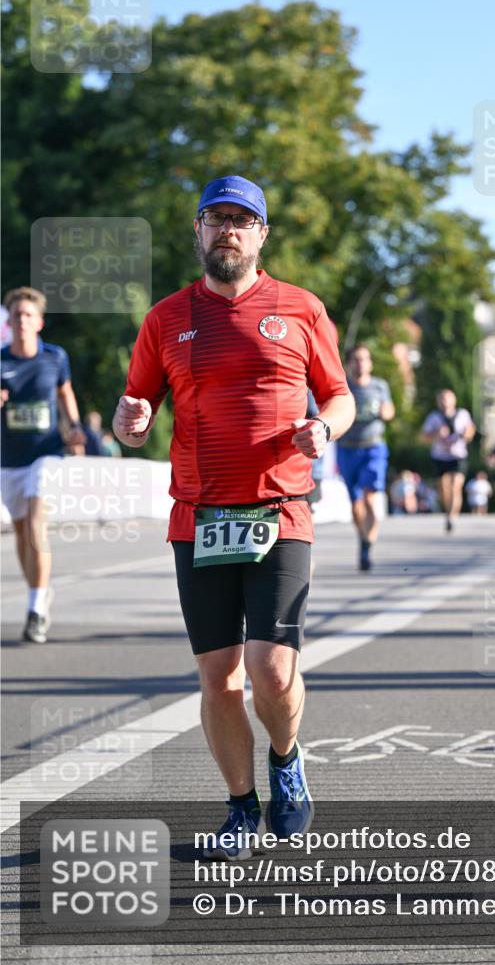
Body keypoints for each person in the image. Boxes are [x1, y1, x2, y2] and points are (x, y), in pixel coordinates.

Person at [112, 175, 354, 859]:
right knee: (219, 678)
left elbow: (340, 398)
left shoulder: (300, 308)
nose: (228, 230)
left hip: (279, 510)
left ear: (261, 234)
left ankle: (287, 756)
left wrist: (325, 430)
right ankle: (240, 808)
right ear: (197, 230)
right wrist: (129, 423)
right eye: (215, 218)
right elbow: (133, 415)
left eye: (241, 220)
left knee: (271, 671)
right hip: (198, 518)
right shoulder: (165, 318)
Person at [1, 286, 85, 643]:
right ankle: (38, 594)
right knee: (21, 533)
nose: (21, 320)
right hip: (9, 459)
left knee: (37, 521)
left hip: (47, 453)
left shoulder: (55, 357)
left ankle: (36, 608)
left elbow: (65, 392)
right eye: (16, 315)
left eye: (27, 315)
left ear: (40, 322)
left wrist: (76, 428)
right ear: (9, 322)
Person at [336, 344, 395, 571]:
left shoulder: (380, 386)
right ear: (349, 363)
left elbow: (390, 411)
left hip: (374, 447)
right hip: (348, 448)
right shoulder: (343, 387)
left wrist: (384, 412)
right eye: (356, 359)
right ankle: (363, 538)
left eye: (364, 359)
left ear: (370, 363)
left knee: (371, 499)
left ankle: (368, 546)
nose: (361, 363)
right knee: (356, 506)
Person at [421, 389, 475, 533]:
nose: (444, 402)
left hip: (458, 455)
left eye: (447, 399)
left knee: (455, 486)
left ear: (454, 401)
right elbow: (424, 437)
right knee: (444, 488)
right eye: (442, 399)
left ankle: (451, 517)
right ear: (438, 402)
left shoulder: (462, 414)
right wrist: (436, 434)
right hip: (440, 456)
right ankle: (448, 512)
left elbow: (471, 430)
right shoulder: (434, 417)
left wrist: (466, 434)